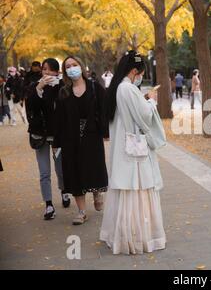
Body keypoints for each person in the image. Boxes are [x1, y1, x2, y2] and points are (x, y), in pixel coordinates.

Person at [100, 50, 166, 255]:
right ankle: (137, 237)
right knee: (137, 188)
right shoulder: (127, 88)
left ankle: (124, 235)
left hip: (125, 146)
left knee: (128, 191)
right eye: (140, 73)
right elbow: (144, 116)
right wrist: (152, 100)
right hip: (134, 150)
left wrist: (143, 98)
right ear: (135, 71)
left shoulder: (119, 88)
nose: (140, 77)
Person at [54, 56, 108, 225]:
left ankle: (97, 192)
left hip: (92, 136)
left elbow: (104, 109)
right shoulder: (63, 91)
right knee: (75, 172)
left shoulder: (94, 87)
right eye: (68, 66)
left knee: (93, 169)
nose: (72, 68)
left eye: (74, 65)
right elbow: (59, 119)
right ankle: (81, 211)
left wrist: (105, 132)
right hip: (70, 139)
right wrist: (56, 143)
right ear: (65, 71)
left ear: (81, 66)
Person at [25, 58, 70, 220]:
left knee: (60, 169)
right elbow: (30, 106)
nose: (47, 73)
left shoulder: (62, 87)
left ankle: (64, 190)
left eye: (51, 70)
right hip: (39, 135)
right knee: (44, 172)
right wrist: (39, 87)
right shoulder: (33, 86)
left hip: (57, 136)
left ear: (57, 72)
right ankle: (49, 204)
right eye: (44, 69)